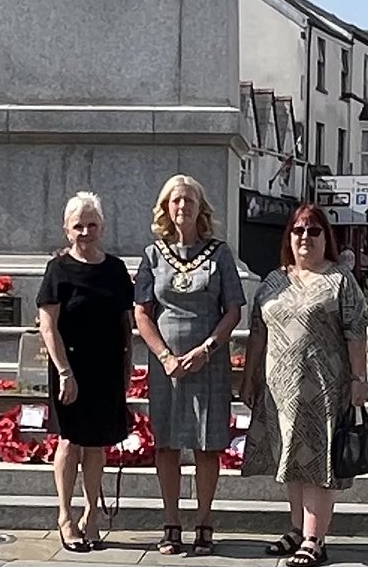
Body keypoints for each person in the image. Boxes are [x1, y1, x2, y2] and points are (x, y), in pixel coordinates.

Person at [240, 204, 368, 567]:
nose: (305, 238)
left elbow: (356, 330)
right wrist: (249, 377)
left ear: (326, 237)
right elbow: (258, 332)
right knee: (291, 460)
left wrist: (360, 379)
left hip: (324, 388)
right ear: (288, 237)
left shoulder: (340, 280)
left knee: (319, 464)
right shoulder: (273, 280)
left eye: (314, 231)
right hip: (280, 390)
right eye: (298, 230)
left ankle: (316, 538)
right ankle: (298, 529)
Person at [134, 174, 246, 556]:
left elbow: (233, 309)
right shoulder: (152, 255)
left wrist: (208, 348)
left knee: (206, 445)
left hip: (208, 362)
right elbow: (142, 313)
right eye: (175, 201)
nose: (182, 207)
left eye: (189, 201)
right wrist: (165, 356)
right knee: (166, 444)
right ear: (165, 208)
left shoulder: (219, 253)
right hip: (166, 366)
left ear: (201, 209)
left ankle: (204, 522)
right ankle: (170, 523)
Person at [37, 191, 134, 553]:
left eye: (92, 224)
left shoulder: (115, 269)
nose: (85, 231)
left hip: (106, 368)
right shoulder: (58, 269)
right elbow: (48, 326)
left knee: (96, 444)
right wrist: (64, 371)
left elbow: (126, 321)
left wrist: (127, 365)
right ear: (66, 230)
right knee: (69, 440)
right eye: (78, 225)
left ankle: (91, 515)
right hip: (70, 368)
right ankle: (65, 516)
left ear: (102, 227)